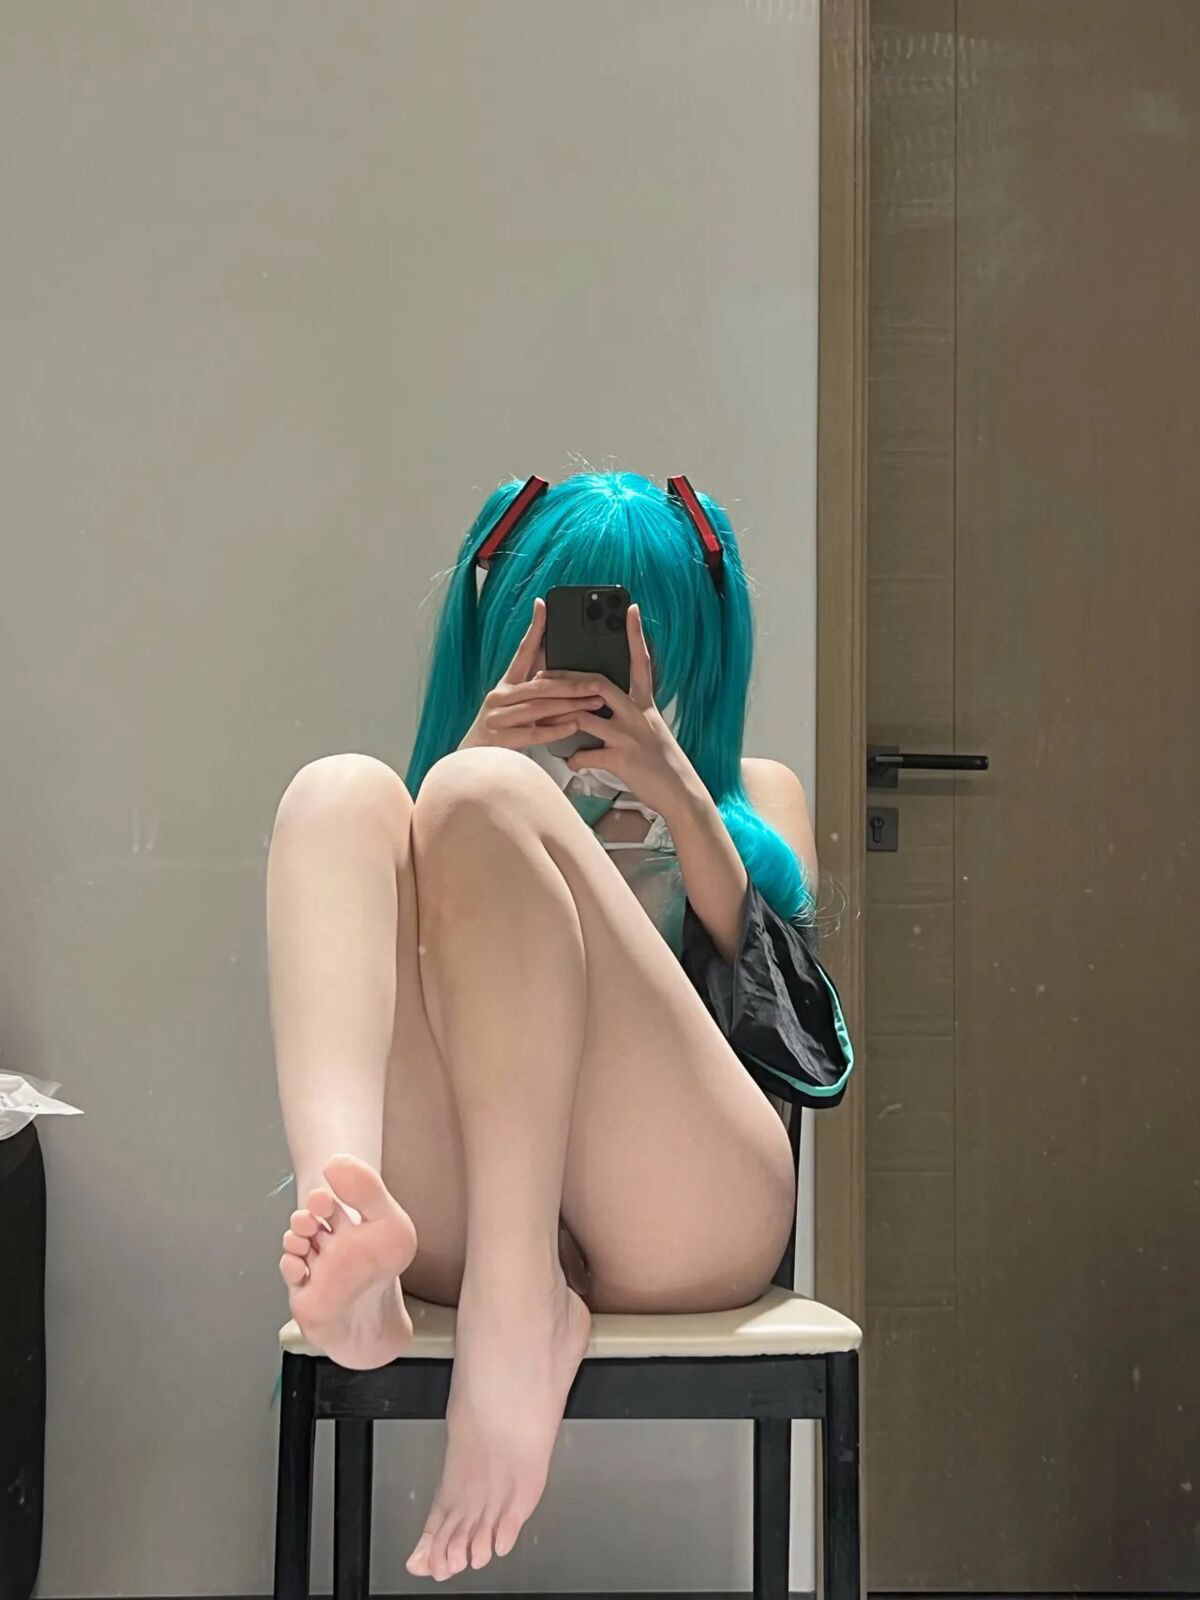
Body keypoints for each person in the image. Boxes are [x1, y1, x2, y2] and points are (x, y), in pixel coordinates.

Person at [266, 469, 853, 1582]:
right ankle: (347, 1226)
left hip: (689, 1211)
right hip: (475, 1207)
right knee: (337, 792)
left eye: (635, 640)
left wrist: (679, 798)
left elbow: (801, 1039)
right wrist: (468, 767)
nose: (599, 678)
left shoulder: (753, 797)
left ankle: (515, 1306)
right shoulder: (457, 789)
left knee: (482, 796)